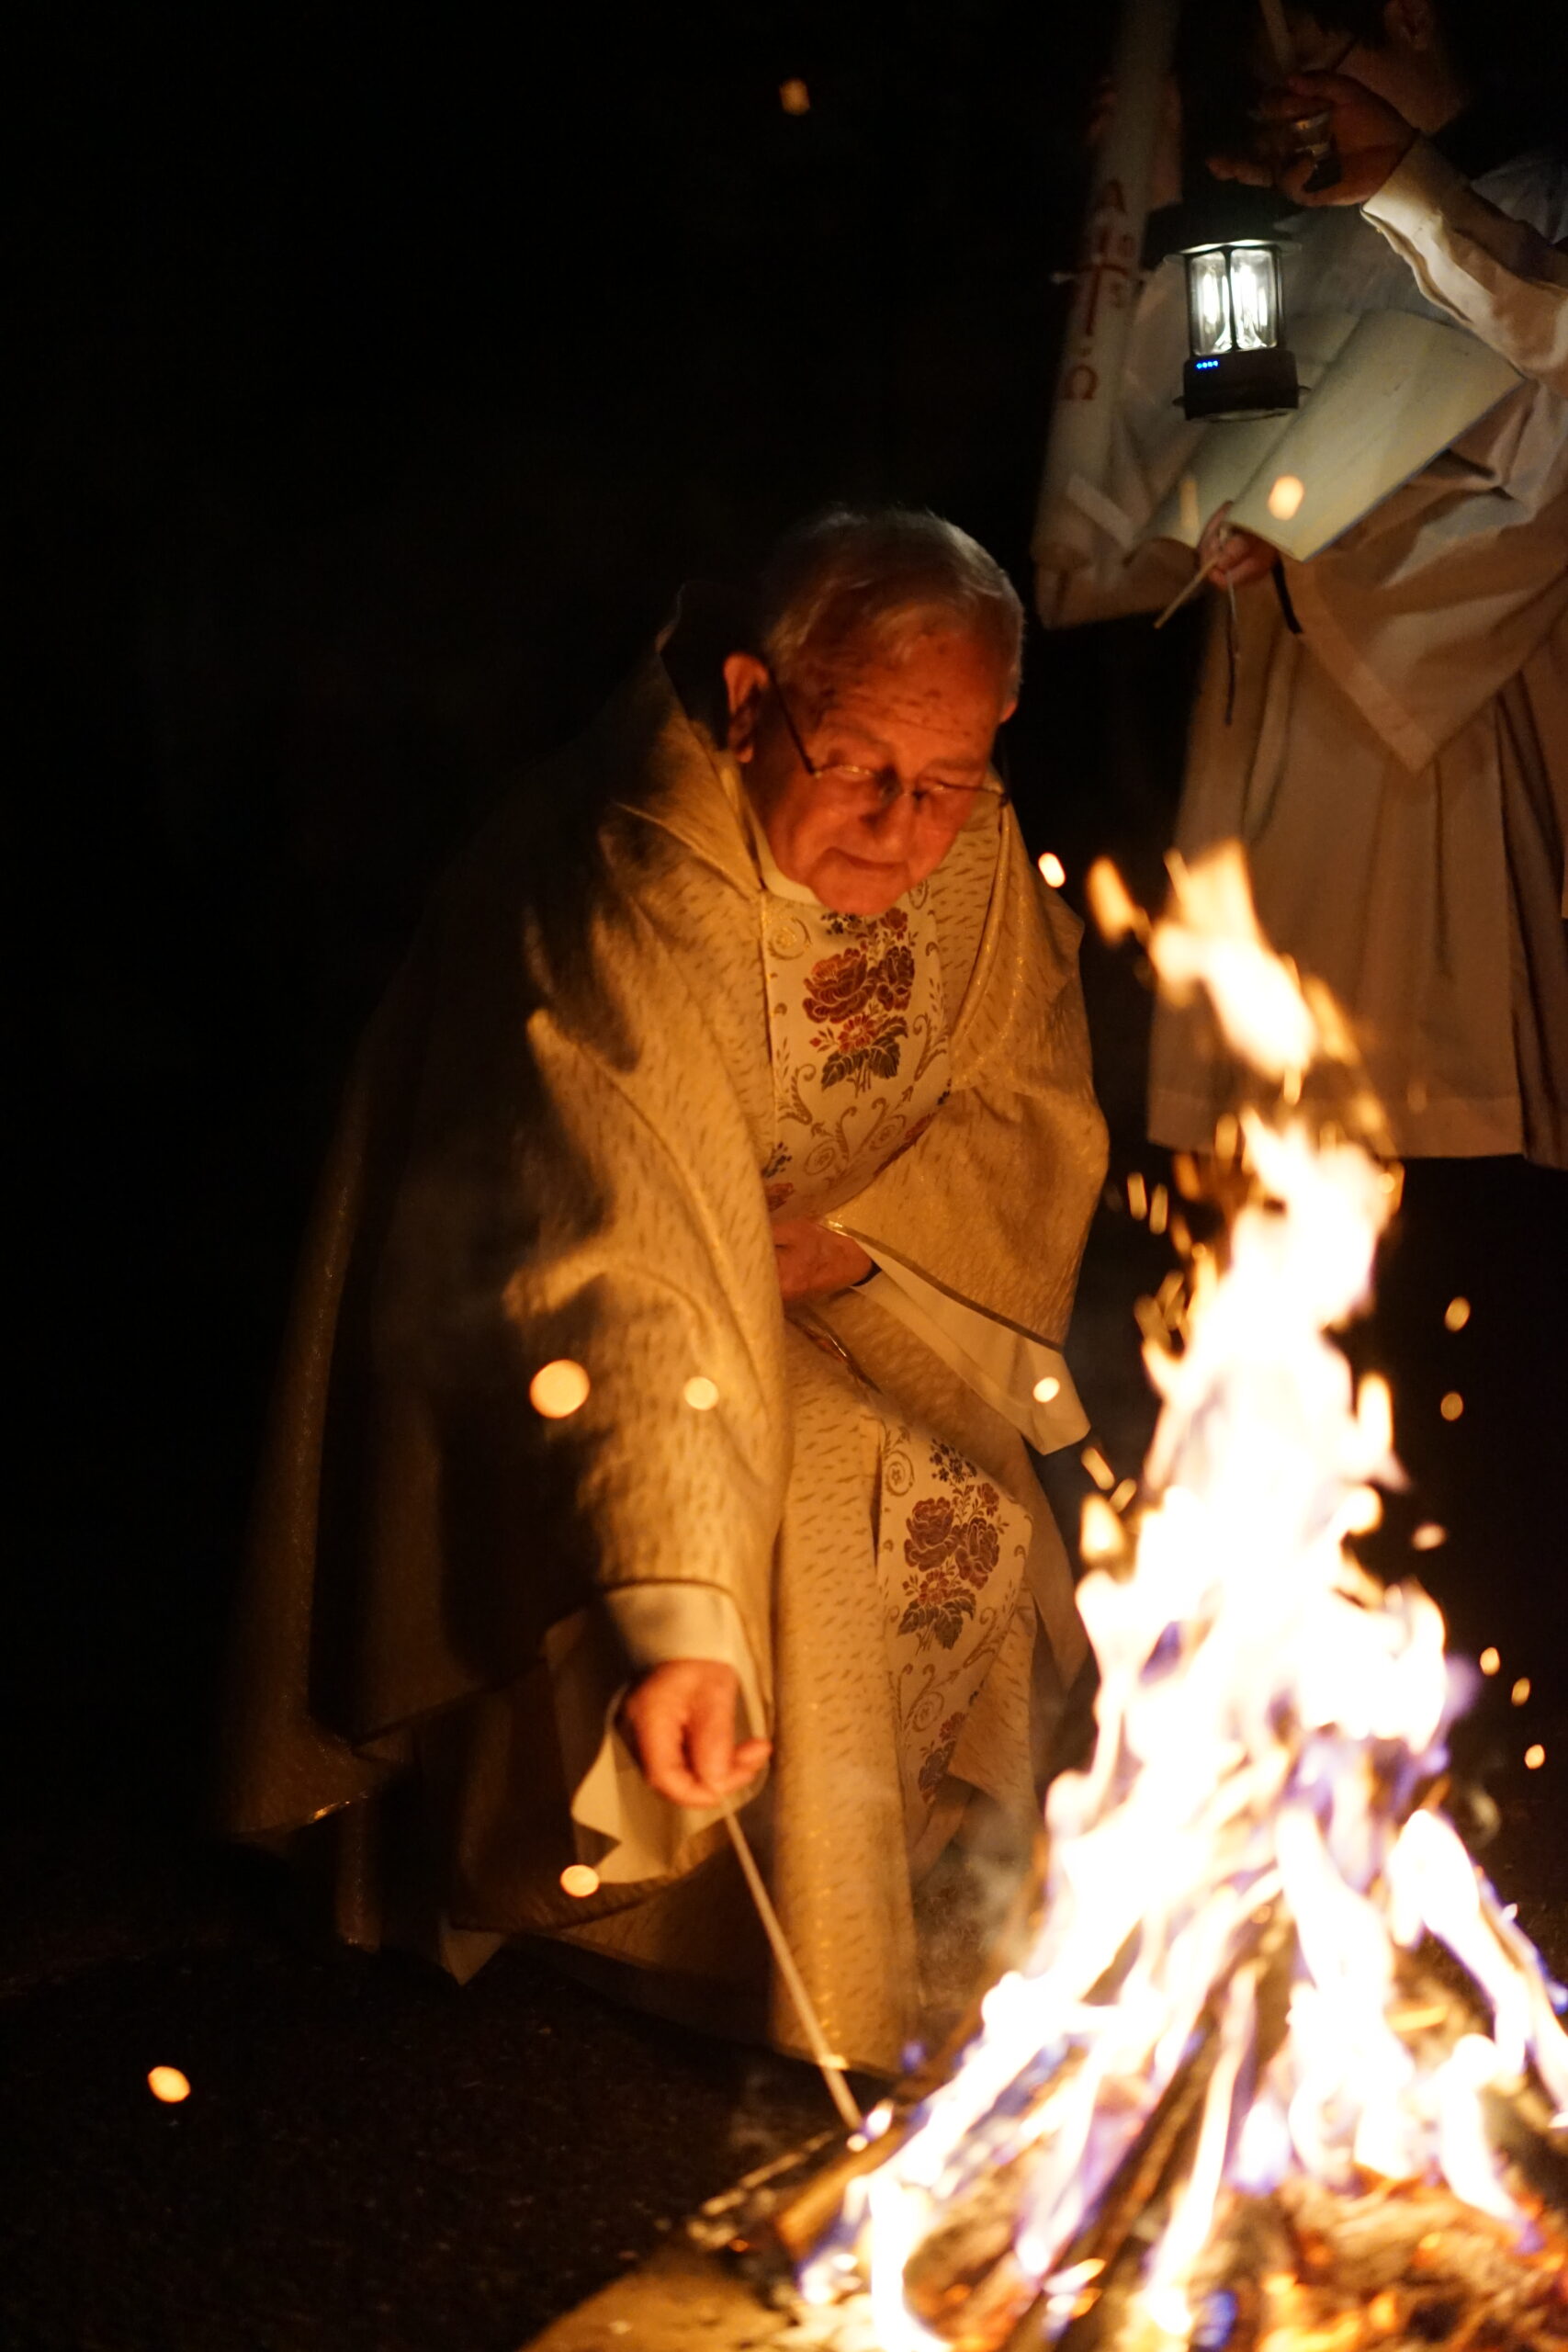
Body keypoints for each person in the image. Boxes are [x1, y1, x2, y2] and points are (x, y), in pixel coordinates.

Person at [220, 506, 1109, 2076]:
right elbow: (618, 1260)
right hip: (538, 1316)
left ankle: (858, 1904)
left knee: (956, 1490)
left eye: (949, 781)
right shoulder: (627, 874)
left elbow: (1026, 1112)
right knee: (820, 1480)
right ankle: (686, 1927)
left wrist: (865, 1243)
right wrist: (677, 1609)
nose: (903, 830)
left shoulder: (963, 829)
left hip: (845, 1290)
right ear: (754, 701)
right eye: (859, 767)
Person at [1040, 0, 1568, 1166]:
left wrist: (1320, 547)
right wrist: (1167, 200)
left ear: (1411, 17)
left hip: (1433, 718)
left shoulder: (1531, 207)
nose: (1291, 103)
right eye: (1268, 78)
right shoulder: (1307, 226)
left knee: (1430, 1101)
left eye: (1315, 62)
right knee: (1273, 1125)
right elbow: (1196, 440)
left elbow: (1537, 502)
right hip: (1277, 710)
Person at [1214, 69, 1568, 392]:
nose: (1297, 110)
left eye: (1308, 61)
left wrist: (1403, 176)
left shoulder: (1542, 192)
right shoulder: (1307, 251)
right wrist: (1399, 172)